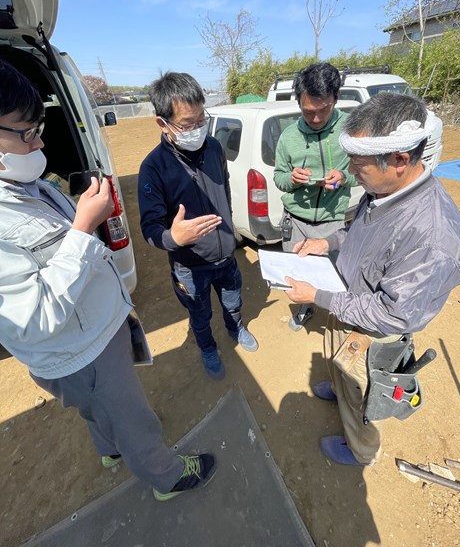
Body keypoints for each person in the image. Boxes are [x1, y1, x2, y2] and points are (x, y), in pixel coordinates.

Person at [0, 59, 215, 501]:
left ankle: (109, 449)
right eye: (28, 133)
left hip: (91, 338)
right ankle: (168, 477)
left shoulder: (29, 188)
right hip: (83, 353)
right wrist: (82, 228)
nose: (40, 142)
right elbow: (34, 319)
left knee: (100, 411)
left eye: (39, 128)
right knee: (134, 420)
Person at [284, 92, 460, 466]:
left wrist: (317, 296)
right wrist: (327, 242)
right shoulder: (382, 190)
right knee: (340, 370)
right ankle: (340, 388)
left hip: (371, 334)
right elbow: (358, 231)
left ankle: (362, 450)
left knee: (361, 395)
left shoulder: (434, 238)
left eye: (359, 164)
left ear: (400, 160)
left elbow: (391, 314)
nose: (351, 172)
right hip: (346, 307)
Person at [138, 71, 258, 380]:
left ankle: (236, 327)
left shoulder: (214, 147)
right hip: (190, 266)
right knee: (200, 314)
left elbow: (225, 189)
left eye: (201, 120)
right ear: (163, 123)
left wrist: (229, 228)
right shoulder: (153, 168)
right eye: (187, 124)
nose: (197, 129)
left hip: (226, 256)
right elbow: (150, 228)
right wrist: (172, 238)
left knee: (233, 301)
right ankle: (207, 347)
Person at [273, 62, 355, 331]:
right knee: (298, 273)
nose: (316, 119)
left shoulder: (351, 129)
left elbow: (364, 172)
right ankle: (305, 308)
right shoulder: (288, 137)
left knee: (333, 274)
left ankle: (337, 312)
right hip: (296, 222)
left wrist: (343, 177)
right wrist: (292, 180)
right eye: (308, 112)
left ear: (336, 98)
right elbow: (279, 178)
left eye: (324, 110)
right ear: (298, 102)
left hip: (332, 222)